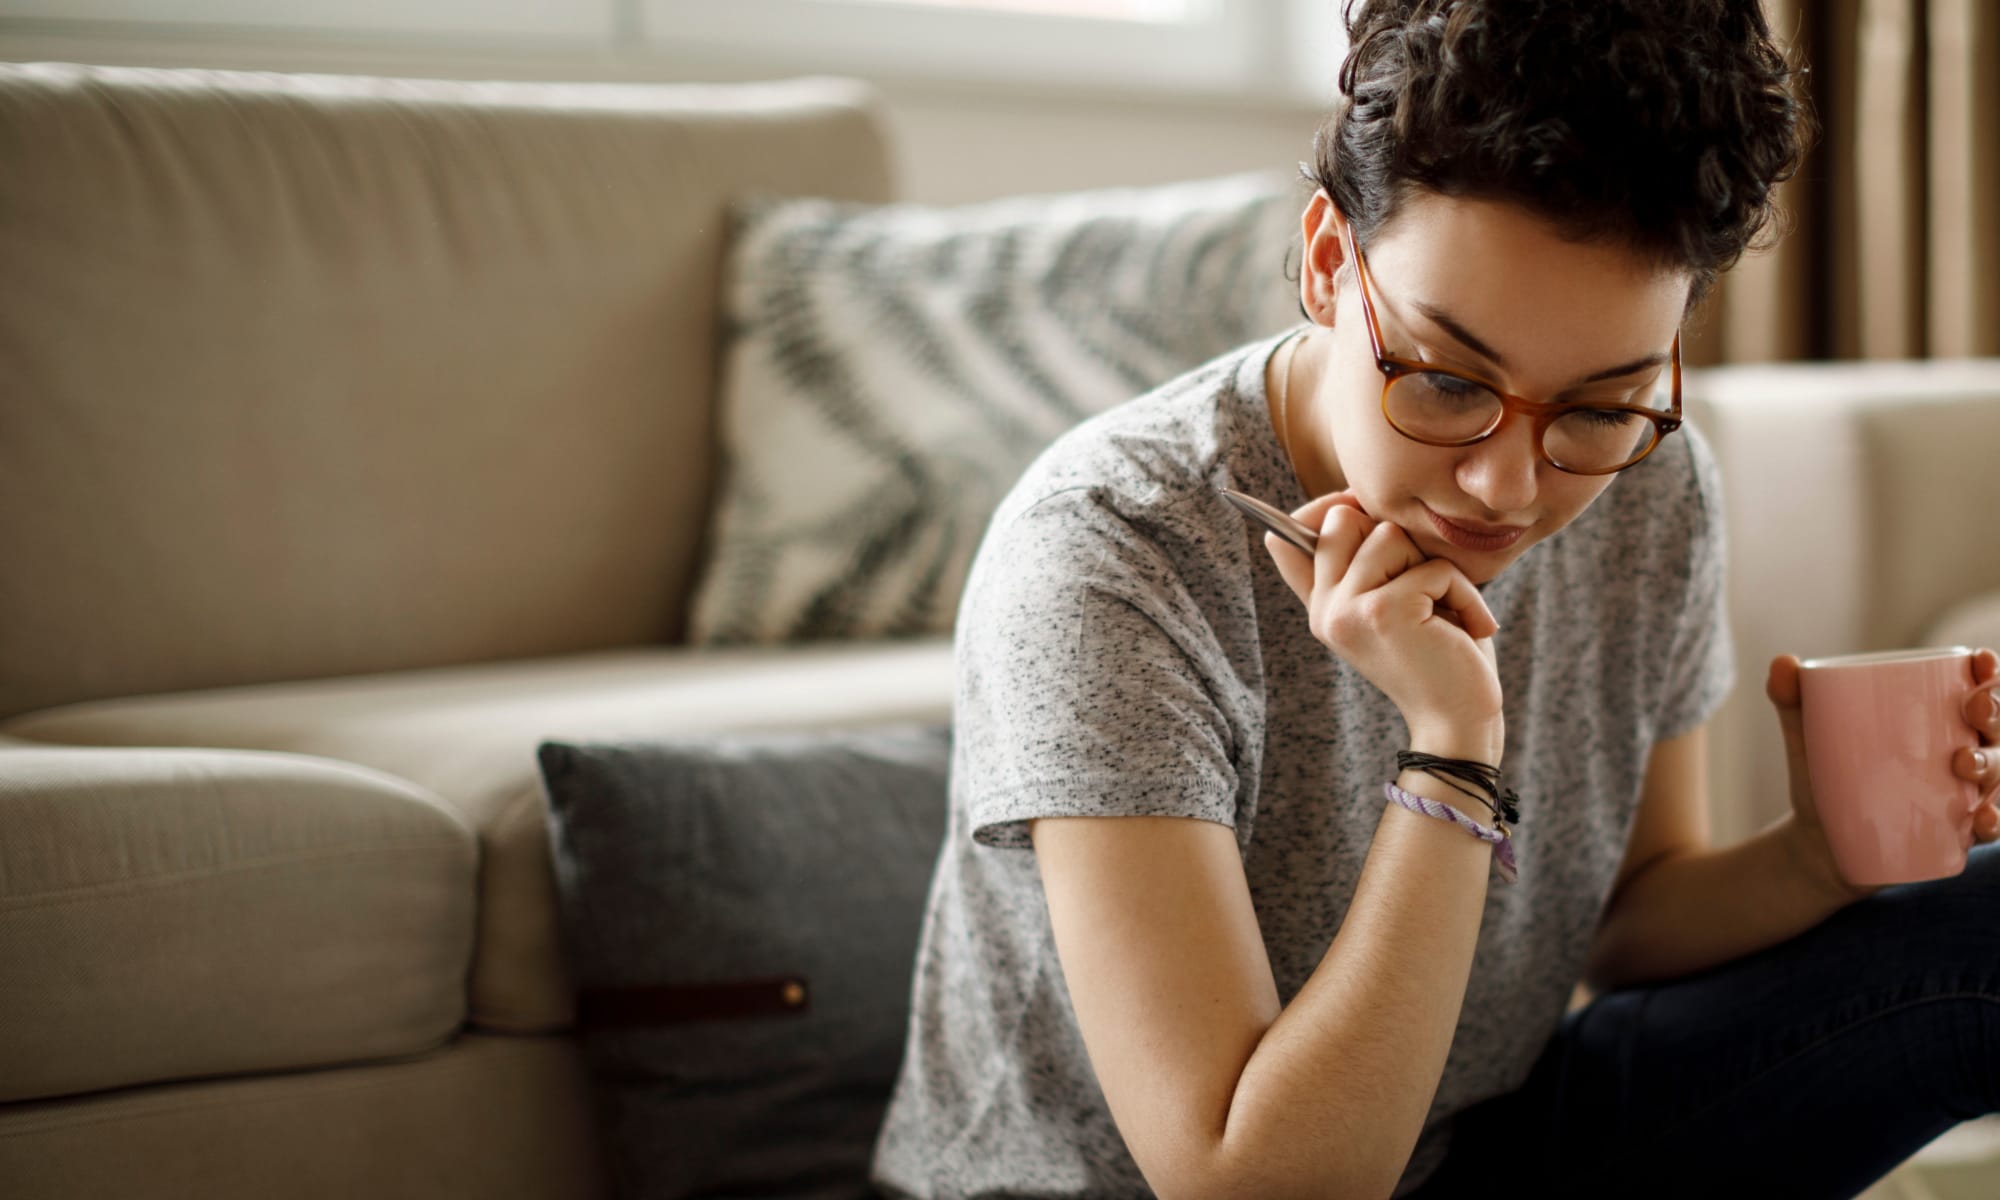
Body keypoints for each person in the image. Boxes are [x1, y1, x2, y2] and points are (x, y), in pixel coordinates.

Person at [870, 1, 2000, 1196]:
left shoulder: (1650, 484)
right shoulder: (1112, 547)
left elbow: (1626, 921)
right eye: (1450, 381)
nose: (1506, 487)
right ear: (1322, 261)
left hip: (1471, 1146)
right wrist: (1452, 749)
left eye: (1600, 404)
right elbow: (1246, 1181)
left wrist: (1816, 861)